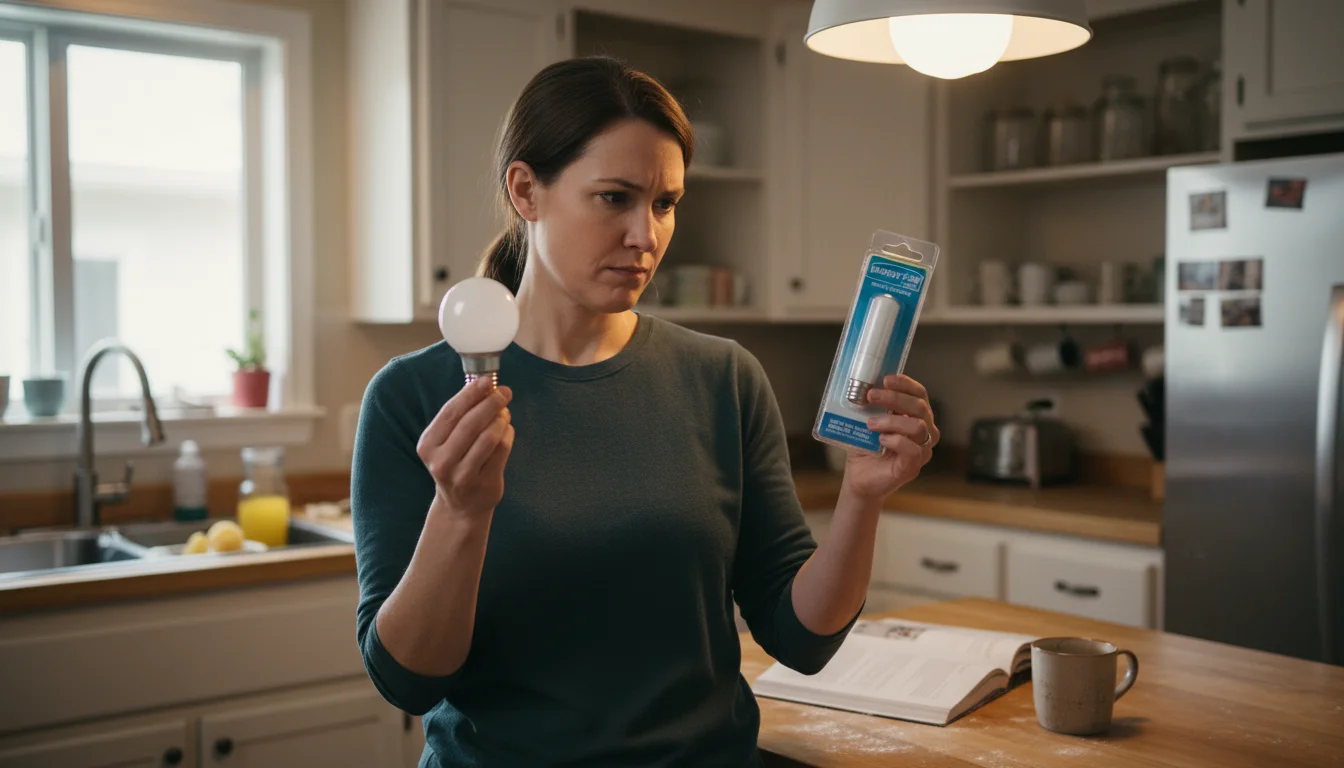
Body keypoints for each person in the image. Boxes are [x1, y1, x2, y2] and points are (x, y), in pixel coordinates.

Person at [351, 56, 940, 768]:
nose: (646, 236)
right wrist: (461, 512)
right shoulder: (412, 397)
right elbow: (410, 679)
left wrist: (860, 497)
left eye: (664, 203)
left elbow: (801, 638)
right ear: (525, 190)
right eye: (614, 199)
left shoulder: (723, 378)